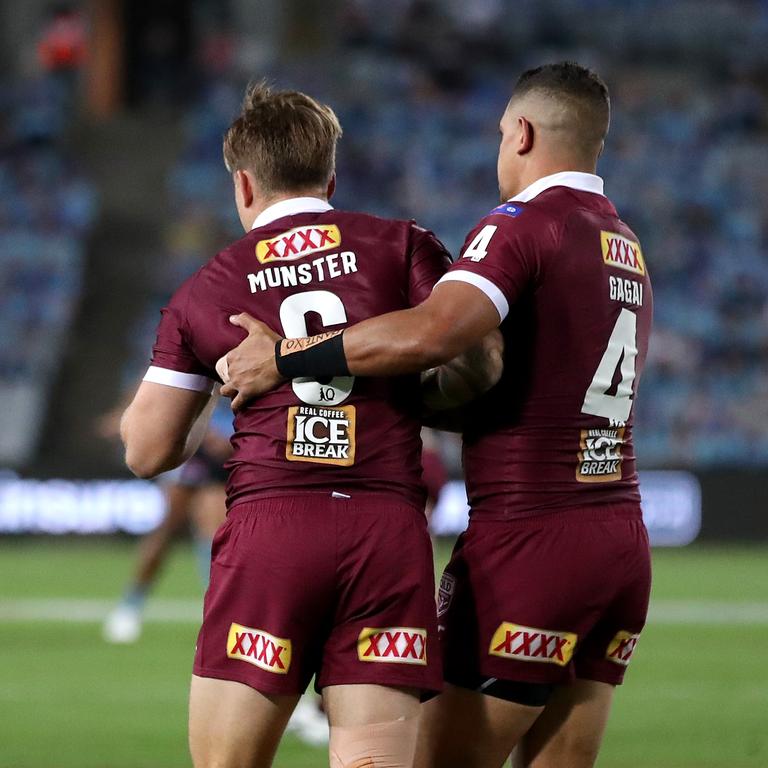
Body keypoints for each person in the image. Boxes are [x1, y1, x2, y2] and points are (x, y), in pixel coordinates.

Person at [217, 62, 654, 768]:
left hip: (529, 541)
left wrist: (288, 359)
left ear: (522, 134)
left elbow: (437, 333)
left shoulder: (521, 225)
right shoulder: (623, 243)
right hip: (619, 544)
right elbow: (520, 396)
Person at [119, 82, 499, 768]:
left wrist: (216, 371)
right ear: (330, 176)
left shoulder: (209, 286)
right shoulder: (403, 246)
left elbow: (146, 451)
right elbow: (478, 359)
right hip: (385, 532)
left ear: (243, 185)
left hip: (273, 532)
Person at [100, 400, 232, 643]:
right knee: (165, 533)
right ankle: (131, 603)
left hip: (227, 450)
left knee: (215, 535)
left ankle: (216, 612)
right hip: (194, 448)